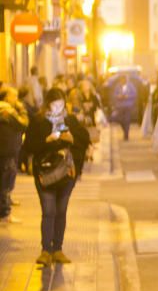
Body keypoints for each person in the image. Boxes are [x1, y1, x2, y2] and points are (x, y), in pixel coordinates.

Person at [24, 88, 91, 266]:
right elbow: (29, 146)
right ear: (48, 104)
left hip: (66, 175)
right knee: (48, 211)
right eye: (54, 104)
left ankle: (58, 249)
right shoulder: (39, 122)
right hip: (45, 174)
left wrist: (72, 139)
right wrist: (47, 141)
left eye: (60, 103)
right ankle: (46, 250)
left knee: (60, 211)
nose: (57, 107)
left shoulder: (70, 121)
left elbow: (85, 140)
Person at [0, 87, 29, 223]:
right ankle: (5, 213)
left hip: (6, 150)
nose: (16, 99)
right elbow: (23, 123)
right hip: (7, 151)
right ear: (6, 98)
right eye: (14, 96)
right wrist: (22, 109)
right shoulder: (7, 110)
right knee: (6, 182)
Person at [111, 74, 138, 141]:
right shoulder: (118, 86)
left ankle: (126, 134)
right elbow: (114, 94)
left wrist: (127, 96)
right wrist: (118, 96)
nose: (123, 81)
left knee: (127, 120)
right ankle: (125, 130)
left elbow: (134, 94)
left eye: (124, 80)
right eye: (121, 80)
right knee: (120, 119)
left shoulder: (130, 86)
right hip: (120, 106)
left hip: (128, 105)